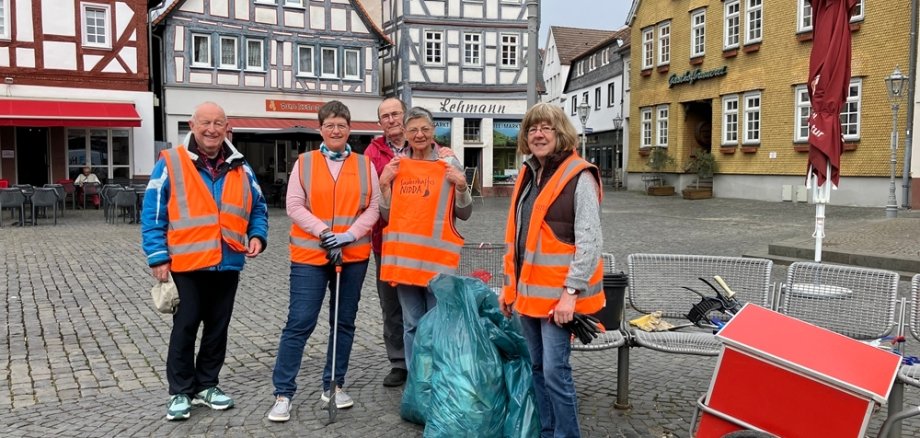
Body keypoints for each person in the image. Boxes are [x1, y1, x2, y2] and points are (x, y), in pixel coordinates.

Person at [141, 101, 269, 421]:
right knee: (185, 327)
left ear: (227, 128)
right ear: (192, 126)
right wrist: (157, 256)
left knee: (217, 328)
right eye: (205, 123)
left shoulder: (241, 166)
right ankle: (181, 391)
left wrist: (257, 235)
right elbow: (153, 213)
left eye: (218, 123)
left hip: (227, 261)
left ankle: (207, 385)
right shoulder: (171, 162)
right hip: (186, 263)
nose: (211, 129)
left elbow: (258, 208)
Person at [268, 100, 380, 422]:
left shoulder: (364, 165)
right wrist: (324, 231)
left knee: (343, 322)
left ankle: (334, 384)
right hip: (310, 256)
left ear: (349, 130)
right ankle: (283, 392)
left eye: (341, 125)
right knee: (300, 321)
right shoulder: (303, 163)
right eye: (329, 125)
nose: (335, 130)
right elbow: (294, 204)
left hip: (352, 255)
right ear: (321, 129)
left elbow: (373, 206)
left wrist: (348, 235)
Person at [499, 103, 605, 438]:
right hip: (530, 297)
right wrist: (509, 290)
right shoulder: (530, 175)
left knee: (556, 373)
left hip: (559, 300)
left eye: (546, 128)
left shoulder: (579, 175)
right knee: (539, 368)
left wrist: (570, 293)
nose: (538, 134)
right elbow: (518, 242)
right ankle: (547, 432)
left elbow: (590, 240)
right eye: (532, 128)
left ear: (561, 134)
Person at [378, 106, 472, 371]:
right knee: (412, 324)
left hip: (437, 265)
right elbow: (387, 216)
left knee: (439, 323)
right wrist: (384, 185)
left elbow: (464, 213)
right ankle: (417, 380)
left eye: (425, 129)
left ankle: (439, 379)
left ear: (433, 132)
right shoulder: (396, 167)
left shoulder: (448, 164)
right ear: (405, 134)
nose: (419, 135)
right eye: (413, 130)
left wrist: (462, 186)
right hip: (406, 264)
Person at [363, 97, 410, 387]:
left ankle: (424, 357)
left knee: (422, 302)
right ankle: (399, 362)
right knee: (390, 304)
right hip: (386, 239)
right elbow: (366, 191)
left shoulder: (423, 144)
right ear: (380, 123)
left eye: (396, 114)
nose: (392, 120)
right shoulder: (371, 151)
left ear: (405, 115)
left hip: (420, 239)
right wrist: (384, 177)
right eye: (386, 116)